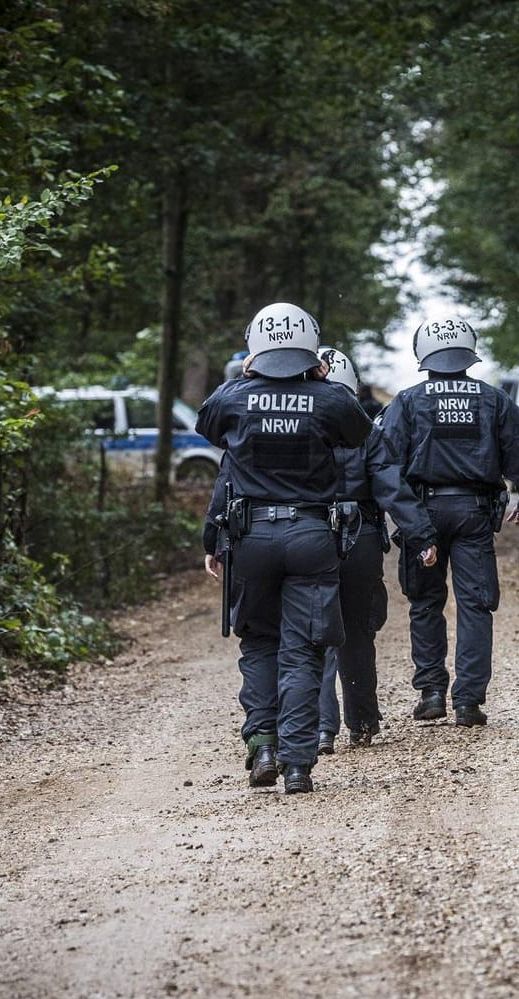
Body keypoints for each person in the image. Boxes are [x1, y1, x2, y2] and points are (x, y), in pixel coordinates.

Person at [196, 303, 372, 794]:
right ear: (311, 348)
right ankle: (298, 764)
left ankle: (264, 745)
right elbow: (359, 432)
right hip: (312, 536)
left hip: (250, 537)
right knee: (304, 648)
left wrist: (245, 376)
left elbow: (208, 425)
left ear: (254, 348)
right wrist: (320, 379)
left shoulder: (235, 397)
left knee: (259, 642)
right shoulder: (330, 398)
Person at [378, 318, 519, 728]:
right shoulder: (494, 400)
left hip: (422, 513)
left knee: (425, 601)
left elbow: (387, 464)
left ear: (423, 354)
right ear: (469, 351)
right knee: (476, 605)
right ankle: (468, 701)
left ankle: (431, 691)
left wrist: (407, 522)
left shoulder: (408, 401)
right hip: (474, 514)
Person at [312, 349, 437, 752]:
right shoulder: (367, 431)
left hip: (309, 535)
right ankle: (362, 721)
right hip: (360, 537)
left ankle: (319, 727)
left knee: (313, 633)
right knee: (358, 633)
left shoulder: (294, 428)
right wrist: (421, 534)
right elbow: (391, 489)